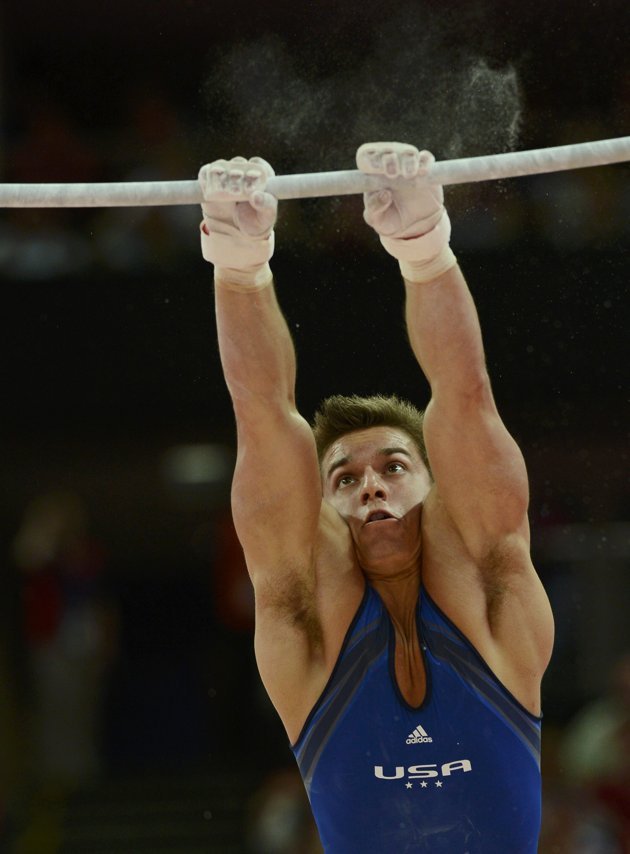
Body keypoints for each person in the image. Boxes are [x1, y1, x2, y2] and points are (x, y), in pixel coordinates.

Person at [198, 143, 555, 853]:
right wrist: (238, 273)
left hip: (452, 547)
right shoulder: (307, 614)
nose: (371, 486)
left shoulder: (492, 593)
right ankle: (247, 262)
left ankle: (411, 243)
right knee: (284, 524)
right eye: (345, 479)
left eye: (393, 466)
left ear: (433, 479)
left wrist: (426, 249)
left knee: (478, 481)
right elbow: (263, 419)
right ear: (325, 508)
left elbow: (467, 400)